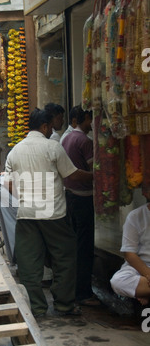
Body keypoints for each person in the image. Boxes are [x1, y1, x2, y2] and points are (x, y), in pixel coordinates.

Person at [5, 107, 93, 318]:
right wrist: (96, 175)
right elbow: (72, 174)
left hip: (26, 214)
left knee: (29, 262)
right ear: (44, 126)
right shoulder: (52, 147)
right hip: (53, 214)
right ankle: (63, 304)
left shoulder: (15, 151)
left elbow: (9, 186)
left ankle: (37, 307)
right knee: (64, 258)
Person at [62, 107, 98, 306]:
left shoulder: (66, 139)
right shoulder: (85, 141)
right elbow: (94, 170)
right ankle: (83, 293)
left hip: (70, 198)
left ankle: (75, 289)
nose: (91, 124)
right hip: (83, 198)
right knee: (84, 247)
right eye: (89, 120)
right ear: (82, 119)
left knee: (75, 246)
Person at [111, 198, 150, 306]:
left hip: (145, 281)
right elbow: (129, 254)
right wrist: (148, 274)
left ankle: (144, 291)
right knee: (118, 281)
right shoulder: (136, 216)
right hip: (140, 267)